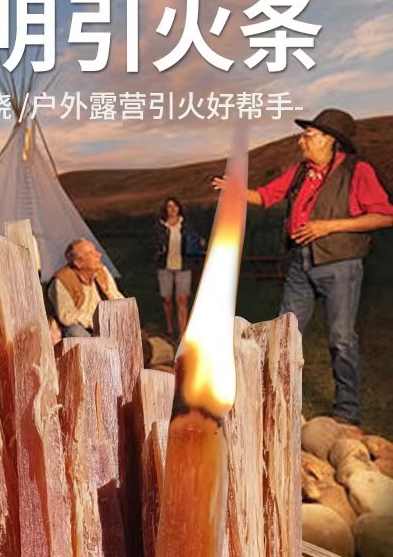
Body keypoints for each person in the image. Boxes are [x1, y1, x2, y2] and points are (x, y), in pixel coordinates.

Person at [212, 109, 393, 425]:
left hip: (340, 264)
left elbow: (385, 215)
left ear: (329, 140)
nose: (301, 141)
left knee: (341, 338)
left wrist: (328, 227)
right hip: (300, 262)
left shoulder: (357, 171)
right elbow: (266, 196)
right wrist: (235, 191)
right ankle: (276, 403)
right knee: (284, 333)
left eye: (308, 135)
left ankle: (347, 412)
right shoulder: (301, 172)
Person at [48, 238, 124, 337]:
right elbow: (66, 316)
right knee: (74, 331)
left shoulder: (102, 272)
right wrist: (95, 321)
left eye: (95, 251)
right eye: (91, 253)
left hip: (105, 325)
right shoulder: (62, 280)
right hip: (83, 328)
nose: (99, 255)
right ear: (78, 263)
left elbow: (117, 297)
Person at [154, 197, 202, 339]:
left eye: (175, 206)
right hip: (165, 266)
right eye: (169, 206)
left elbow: (194, 241)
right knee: (167, 299)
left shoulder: (186, 226)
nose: (173, 209)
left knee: (182, 299)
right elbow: (155, 244)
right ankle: (170, 327)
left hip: (183, 266)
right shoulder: (160, 227)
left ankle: (182, 333)